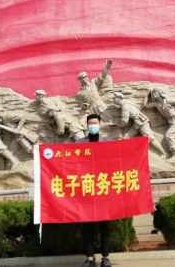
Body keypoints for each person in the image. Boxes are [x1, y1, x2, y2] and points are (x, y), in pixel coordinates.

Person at [76, 114, 112, 267]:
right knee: (89, 227)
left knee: (105, 227)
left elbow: (122, 154)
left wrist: (143, 143)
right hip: (87, 189)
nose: (93, 125)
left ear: (100, 124)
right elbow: (66, 157)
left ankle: (105, 258)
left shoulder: (108, 142)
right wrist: (39, 151)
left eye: (95, 123)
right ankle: (90, 258)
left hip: (103, 189)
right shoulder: (79, 143)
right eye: (90, 123)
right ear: (87, 125)